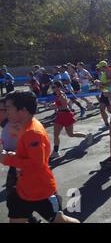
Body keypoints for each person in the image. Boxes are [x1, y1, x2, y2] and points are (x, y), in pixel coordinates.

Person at [0, 91, 80, 223]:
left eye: (8, 108)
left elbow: (36, 164)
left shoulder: (33, 132)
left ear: (23, 110)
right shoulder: (24, 126)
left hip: (40, 191)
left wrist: (7, 159)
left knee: (60, 221)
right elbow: (27, 156)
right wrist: (12, 155)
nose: (6, 112)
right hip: (22, 189)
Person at [49, 81, 91, 159]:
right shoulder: (57, 95)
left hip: (66, 115)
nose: (53, 89)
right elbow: (59, 105)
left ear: (59, 87)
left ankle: (86, 136)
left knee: (71, 134)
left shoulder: (62, 95)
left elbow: (64, 106)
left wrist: (54, 106)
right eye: (52, 87)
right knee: (56, 134)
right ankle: (55, 152)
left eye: (54, 87)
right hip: (60, 115)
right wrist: (54, 105)